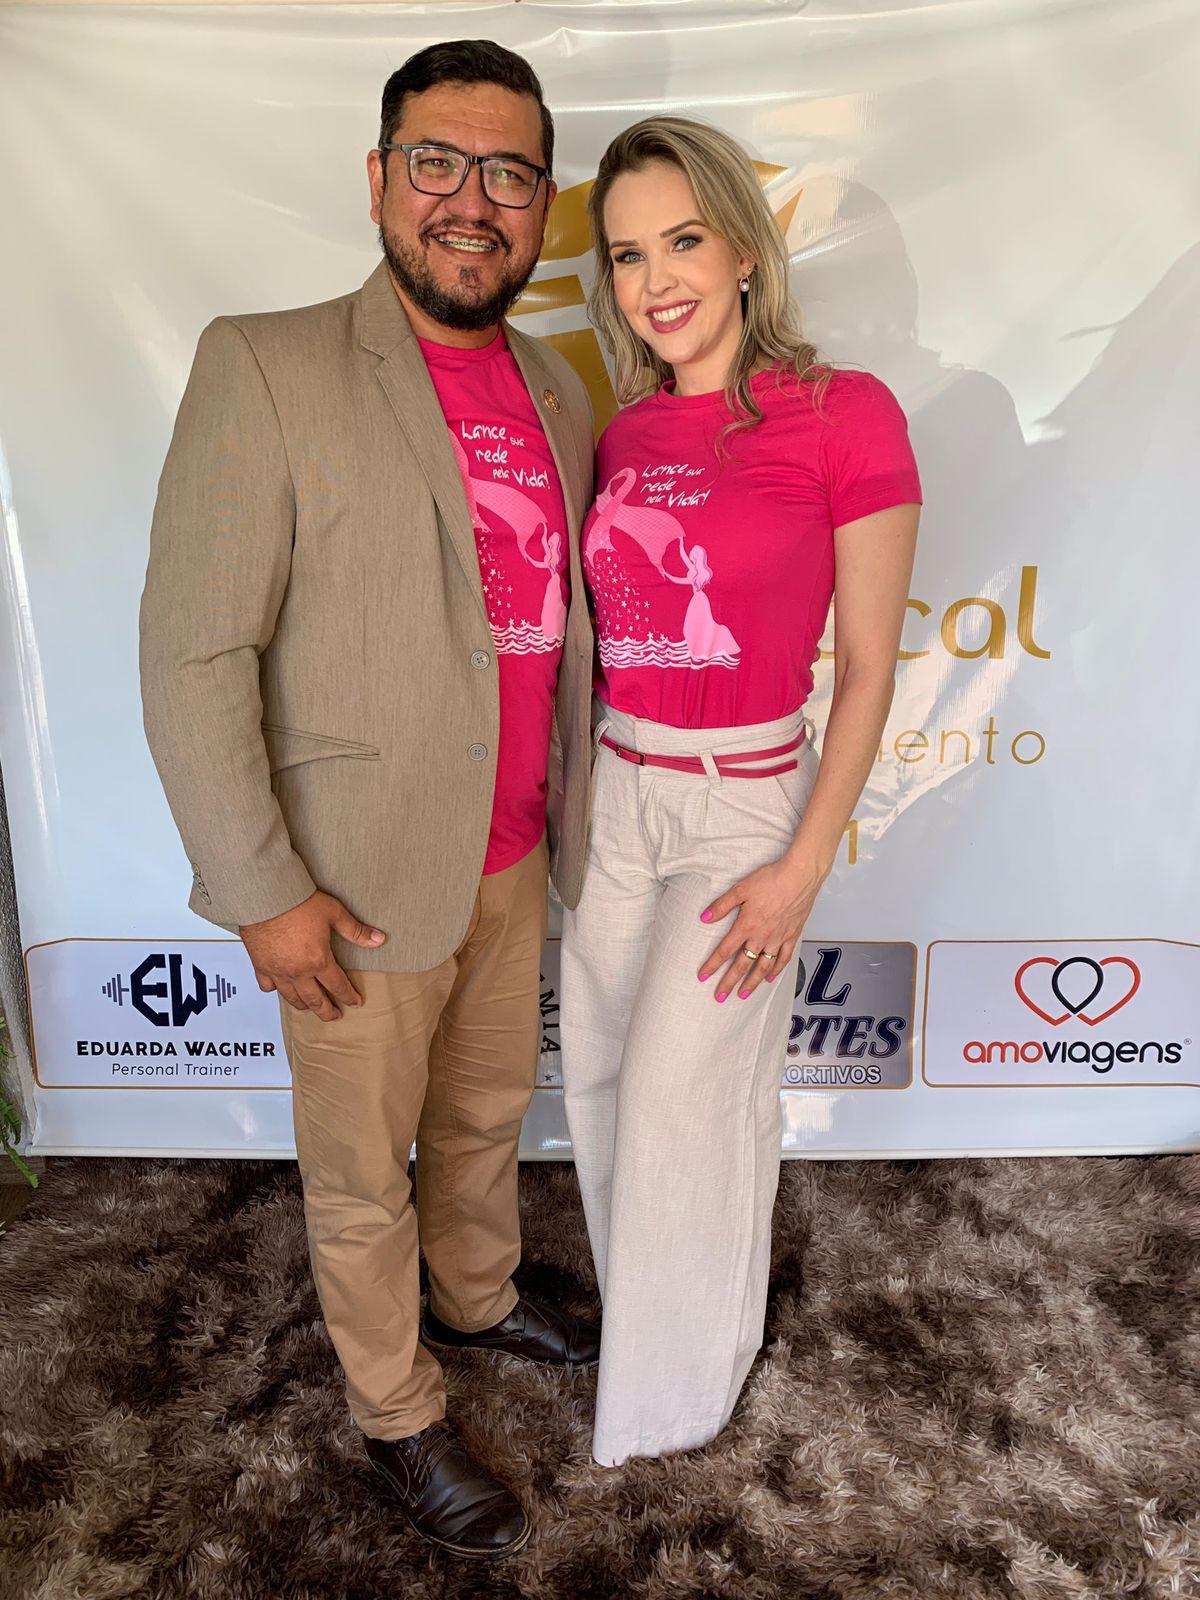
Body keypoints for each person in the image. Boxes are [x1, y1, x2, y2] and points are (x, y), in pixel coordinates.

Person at [140, 40, 599, 1560]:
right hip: (351, 878)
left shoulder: (558, 384)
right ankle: (397, 1409)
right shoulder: (264, 363)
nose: (473, 201)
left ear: (543, 201)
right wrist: (263, 891)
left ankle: (476, 1294)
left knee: (483, 1115)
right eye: (437, 164)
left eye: (509, 173)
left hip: (515, 847)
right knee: (358, 1178)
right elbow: (195, 649)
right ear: (381, 179)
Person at [560, 116, 922, 1466]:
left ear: (745, 250)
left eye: (684, 241)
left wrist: (802, 865)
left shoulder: (846, 413)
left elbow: (870, 669)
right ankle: (662, 1337)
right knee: (602, 1085)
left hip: (742, 801)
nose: (656, 279)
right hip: (618, 792)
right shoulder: (625, 431)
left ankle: (668, 1410)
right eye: (628, 254)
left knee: (683, 1105)